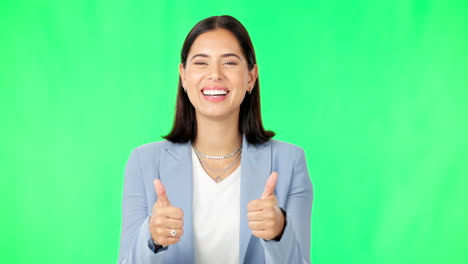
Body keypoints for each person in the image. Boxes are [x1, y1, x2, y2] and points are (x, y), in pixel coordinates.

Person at [118, 15, 313, 264]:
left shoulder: (290, 161)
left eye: (230, 62)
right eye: (201, 63)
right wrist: (152, 239)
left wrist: (279, 234)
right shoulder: (143, 162)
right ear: (184, 76)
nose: (215, 75)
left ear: (251, 77)